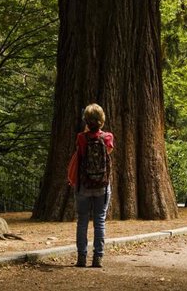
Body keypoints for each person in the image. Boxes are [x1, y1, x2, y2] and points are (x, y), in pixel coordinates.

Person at [74, 103, 114, 268]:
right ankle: (98, 258)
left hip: (84, 185)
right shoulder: (108, 137)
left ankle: (81, 258)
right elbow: (109, 152)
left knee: (82, 221)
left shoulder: (81, 138)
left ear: (87, 121)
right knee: (100, 221)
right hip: (102, 186)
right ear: (101, 120)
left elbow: (81, 154)